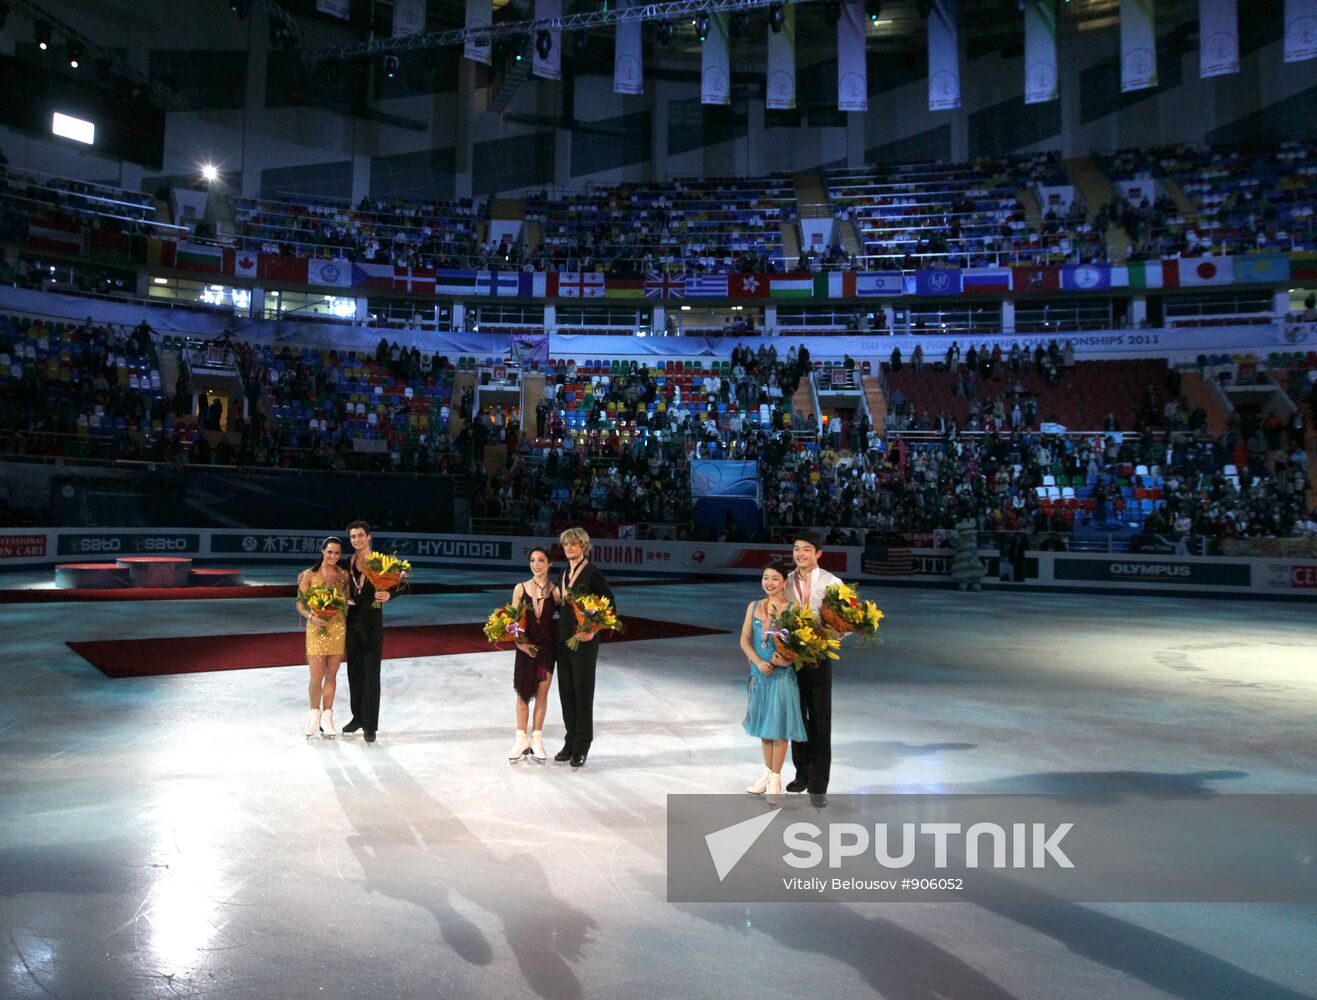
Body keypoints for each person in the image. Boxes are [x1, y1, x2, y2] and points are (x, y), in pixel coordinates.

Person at [739, 561, 807, 801]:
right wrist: (758, 662)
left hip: (782, 677)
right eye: (765, 577)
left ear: (784, 582)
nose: (769, 583)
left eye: (775, 578)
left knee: (778, 729)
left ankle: (776, 778)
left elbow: (801, 644)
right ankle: (767, 774)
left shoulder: (792, 609)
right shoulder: (754, 606)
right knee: (764, 728)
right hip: (760, 674)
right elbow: (745, 641)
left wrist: (786, 660)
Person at [785, 529, 842, 807]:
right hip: (792, 657)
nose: (800, 554)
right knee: (796, 717)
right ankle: (801, 773)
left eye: (806, 549)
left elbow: (845, 623)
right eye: (797, 549)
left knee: (820, 720)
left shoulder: (832, 583)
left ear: (818, 554)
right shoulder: (786, 582)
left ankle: (818, 784)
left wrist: (827, 636)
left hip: (819, 657)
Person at [555, 527, 616, 768]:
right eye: (566, 544)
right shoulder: (563, 572)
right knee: (566, 693)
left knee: (582, 692)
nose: (569, 547)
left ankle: (582, 744)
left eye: (574, 544)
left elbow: (609, 606)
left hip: (585, 643)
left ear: (583, 546)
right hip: (564, 640)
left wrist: (592, 630)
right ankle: (570, 740)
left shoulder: (593, 573)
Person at [508, 547, 561, 763]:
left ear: (549, 564)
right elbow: (512, 623)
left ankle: (536, 738)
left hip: (547, 649)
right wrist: (521, 644)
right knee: (522, 693)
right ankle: (521, 739)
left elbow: (566, 620)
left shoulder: (556, 591)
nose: (536, 564)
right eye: (532, 560)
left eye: (541, 560)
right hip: (525, 648)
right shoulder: (520, 588)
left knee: (542, 693)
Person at [342, 520, 393, 743]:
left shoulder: (381, 562)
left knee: (371, 674)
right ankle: (358, 717)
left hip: (372, 621)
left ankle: (370, 725)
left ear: (369, 536)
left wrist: (390, 595)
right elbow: (330, 574)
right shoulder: (348, 562)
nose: (357, 540)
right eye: (353, 537)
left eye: (360, 535)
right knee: (354, 671)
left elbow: (401, 584)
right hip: (352, 621)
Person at [295, 537, 348, 739]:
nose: (333, 556)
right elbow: (299, 604)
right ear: (322, 551)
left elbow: (347, 600)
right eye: (330, 552)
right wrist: (312, 616)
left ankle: (327, 716)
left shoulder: (343, 575)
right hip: (316, 629)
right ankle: (314, 713)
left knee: (332, 675)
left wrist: (341, 603)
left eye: (337, 553)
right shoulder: (309, 574)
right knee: (316, 676)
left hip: (337, 628)